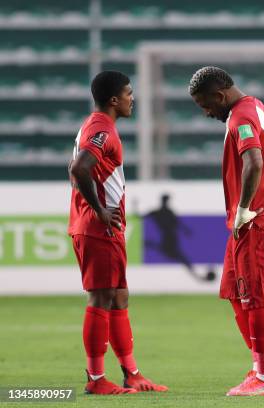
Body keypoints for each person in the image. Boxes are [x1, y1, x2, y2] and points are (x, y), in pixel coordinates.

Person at [189, 66, 264, 396]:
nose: (206, 113)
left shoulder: (240, 117)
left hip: (256, 219)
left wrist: (248, 205)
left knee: (256, 297)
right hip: (255, 214)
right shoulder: (256, 106)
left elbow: (255, 162)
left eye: (206, 106)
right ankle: (263, 367)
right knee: (235, 292)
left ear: (219, 96)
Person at [69, 71, 168, 394]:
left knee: (119, 296)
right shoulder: (101, 129)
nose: (132, 98)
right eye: (128, 93)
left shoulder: (96, 125)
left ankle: (132, 373)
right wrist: (98, 209)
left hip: (104, 227)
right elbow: (80, 168)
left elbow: (81, 169)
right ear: (114, 99)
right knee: (101, 297)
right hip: (98, 228)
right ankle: (96, 379)